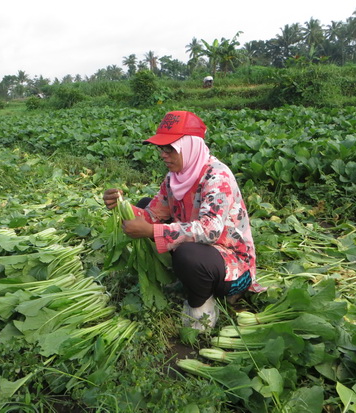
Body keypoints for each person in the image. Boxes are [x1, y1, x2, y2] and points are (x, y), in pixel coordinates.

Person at [103, 111, 264, 330]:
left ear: (190, 147)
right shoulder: (174, 177)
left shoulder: (217, 176)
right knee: (142, 204)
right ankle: (185, 277)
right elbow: (152, 215)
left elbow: (210, 231)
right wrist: (121, 206)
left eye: (170, 148)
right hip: (199, 248)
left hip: (232, 264)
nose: (163, 155)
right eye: (161, 148)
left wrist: (152, 232)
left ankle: (202, 305)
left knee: (188, 254)